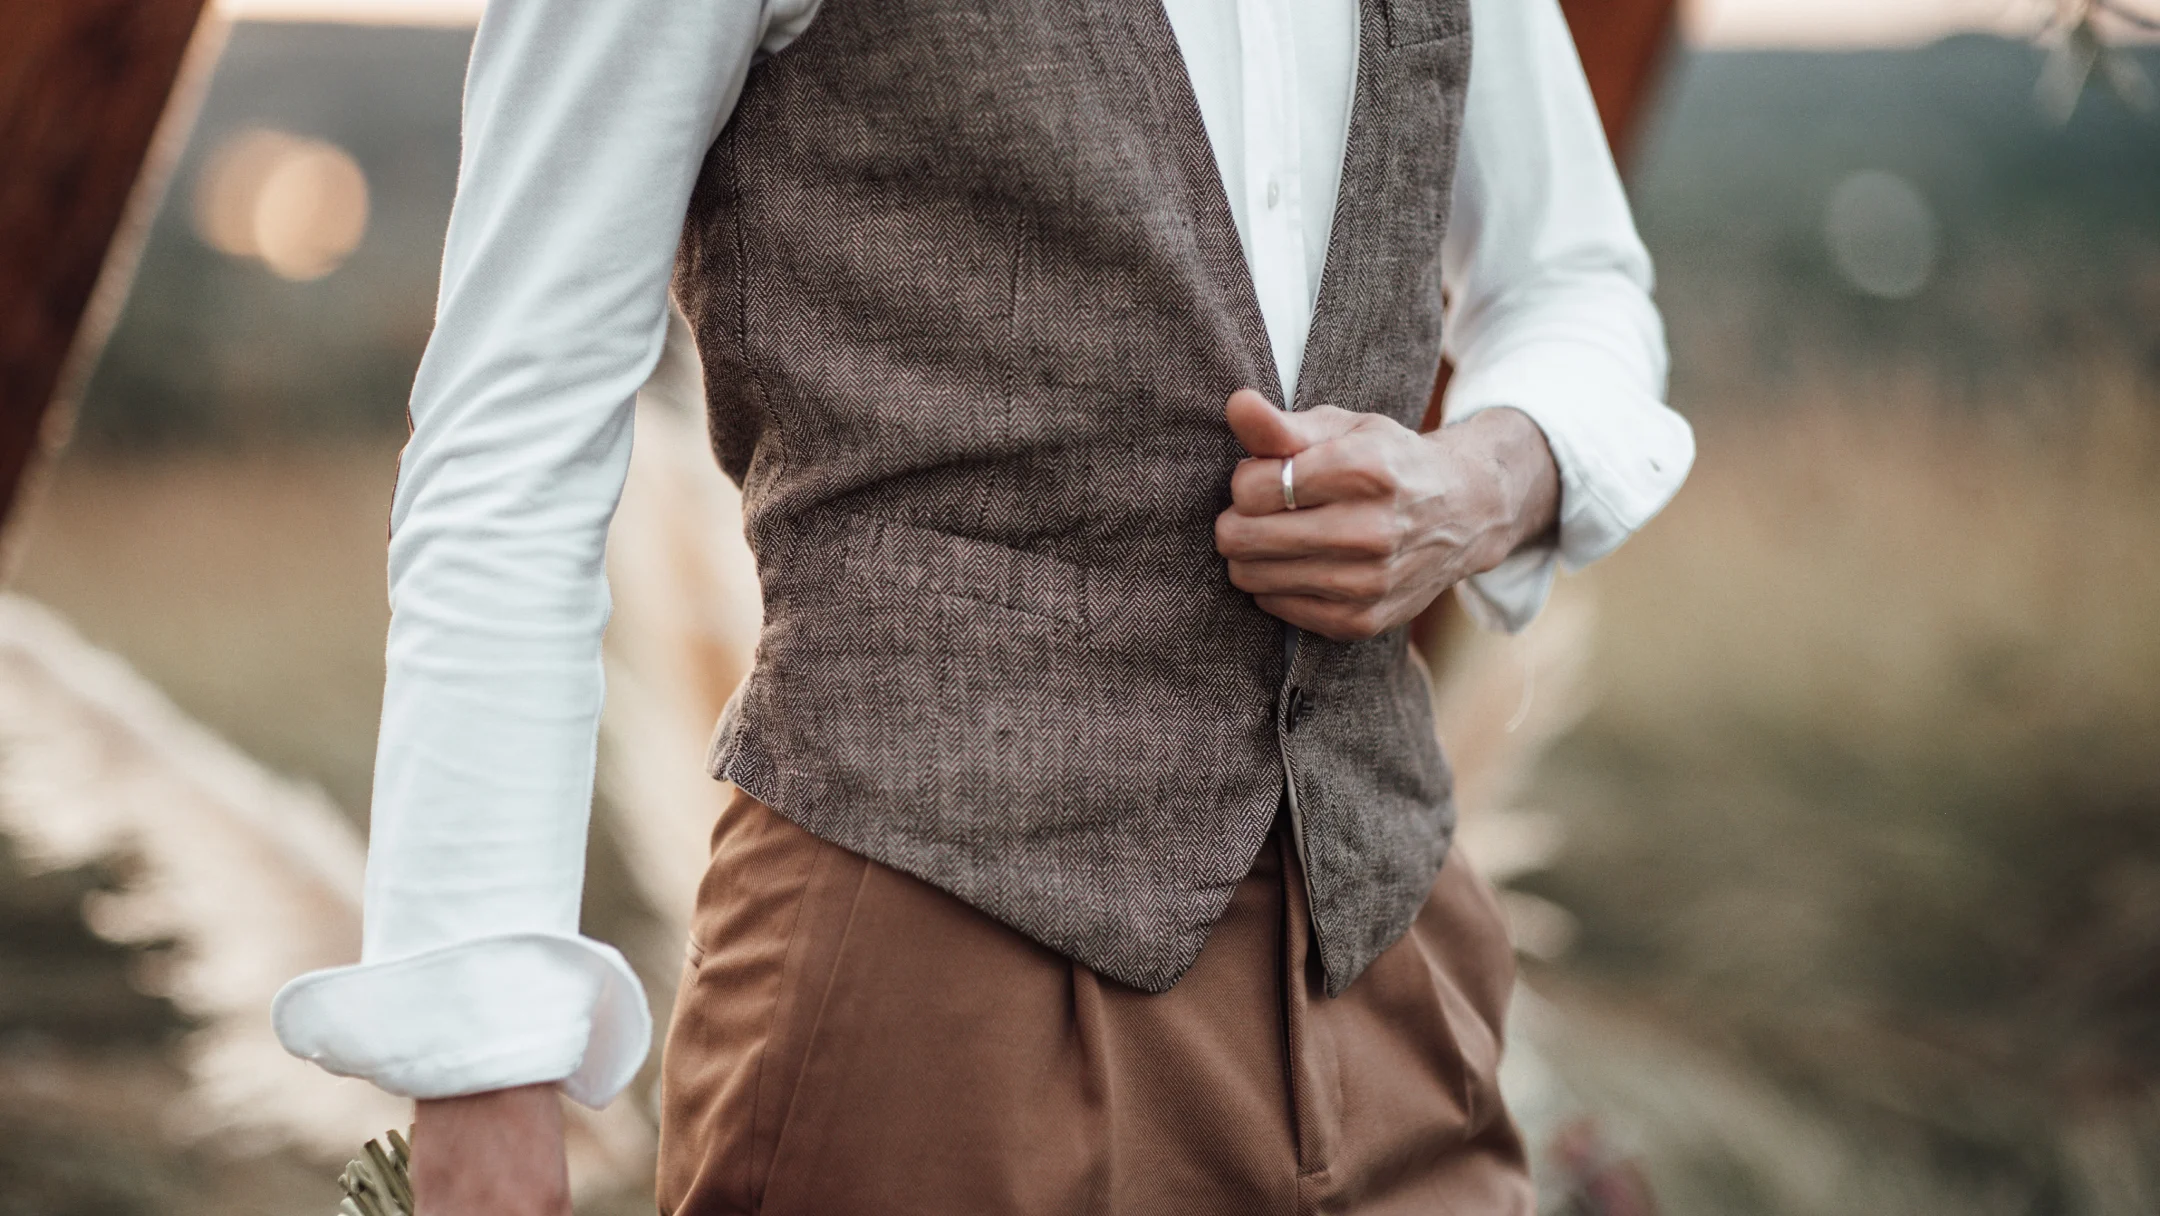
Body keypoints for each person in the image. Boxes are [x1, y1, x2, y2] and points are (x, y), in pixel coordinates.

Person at [272, 0, 1694, 1211]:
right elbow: (518, 419)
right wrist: (484, 1075)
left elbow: (1574, 276)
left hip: (1393, 972)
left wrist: (1481, 484)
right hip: (936, 988)